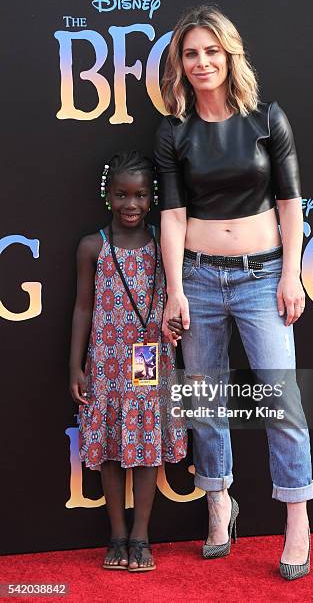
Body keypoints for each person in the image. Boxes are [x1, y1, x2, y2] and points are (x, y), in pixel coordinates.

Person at [155, 5, 313, 580]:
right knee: (204, 401)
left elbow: (291, 206)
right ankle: (219, 503)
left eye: (211, 52)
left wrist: (290, 273)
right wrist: (175, 290)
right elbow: (171, 217)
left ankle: (296, 518)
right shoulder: (175, 132)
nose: (201, 63)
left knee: (283, 401)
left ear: (230, 55)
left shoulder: (268, 120)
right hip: (197, 277)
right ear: (180, 62)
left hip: (260, 277)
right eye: (191, 53)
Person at [69, 151, 187, 571]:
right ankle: (116, 535)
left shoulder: (163, 243)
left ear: (152, 197)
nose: (131, 204)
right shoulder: (92, 246)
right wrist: (75, 366)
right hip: (105, 361)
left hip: (147, 358)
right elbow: (83, 308)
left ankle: (141, 537)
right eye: (121, 195)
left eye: (139, 195)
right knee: (111, 451)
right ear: (107, 195)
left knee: (145, 445)